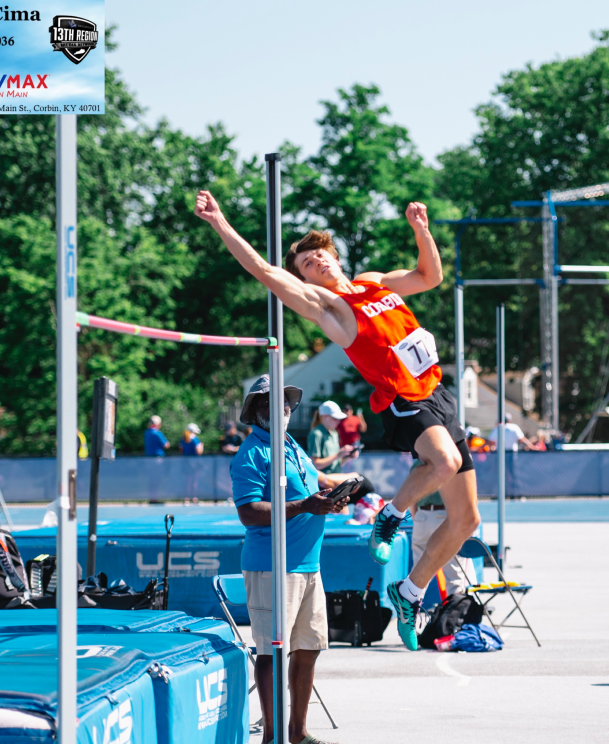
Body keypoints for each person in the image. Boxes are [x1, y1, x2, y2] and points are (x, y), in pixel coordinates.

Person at [196, 191, 480, 651]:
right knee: (443, 462)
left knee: (466, 519)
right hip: (403, 399)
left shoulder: (374, 282)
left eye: (320, 255)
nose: (317, 262)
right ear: (305, 279)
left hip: (437, 393)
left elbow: (430, 276)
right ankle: (389, 516)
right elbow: (264, 271)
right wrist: (220, 222)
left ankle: (410, 592)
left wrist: (421, 229)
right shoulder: (329, 308)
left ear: (336, 256)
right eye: (306, 264)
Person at [231, 375, 348, 744]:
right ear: (256, 410)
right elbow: (249, 512)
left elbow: (309, 490)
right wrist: (305, 506)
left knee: (308, 648)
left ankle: (297, 733)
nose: (281, 407)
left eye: (284, 401)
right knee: (271, 653)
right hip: (273, 567)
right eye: (270, 401)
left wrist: (328, 501)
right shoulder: (252, 452)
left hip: (309, 565)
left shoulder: (291, 444)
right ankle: (272, 736)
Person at [409, 462, 478, 596]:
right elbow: (469, 495)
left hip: (423, 516)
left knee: (418, 573)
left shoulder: (418, 463)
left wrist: (417, 517)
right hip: (447, 516)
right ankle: (455, 607)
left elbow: (411, 495)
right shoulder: (457, 460)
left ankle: (411, 606)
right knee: (454, 573)